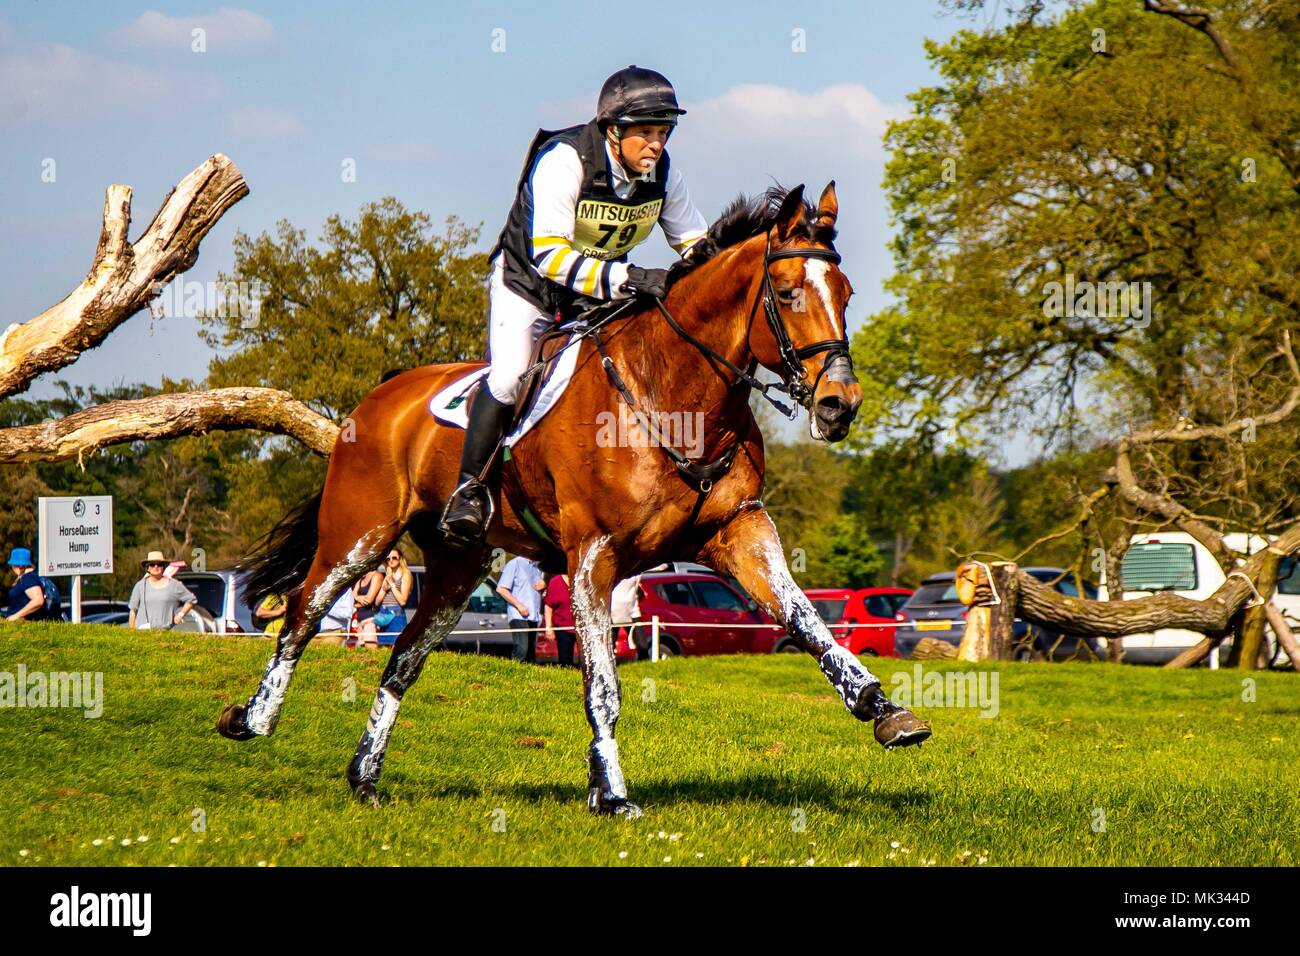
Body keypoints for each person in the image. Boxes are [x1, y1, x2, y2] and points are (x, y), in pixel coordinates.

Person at [440, 65, 708, 545]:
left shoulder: (665, 175)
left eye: (663, 132)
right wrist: (631, 277)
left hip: (593, 296)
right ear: (613, 130)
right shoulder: (564, 160)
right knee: (508, 376)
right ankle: (469, 491)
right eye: (645, 132)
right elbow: (550, 255)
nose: (656, 144)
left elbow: (696, 244)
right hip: (529, 286)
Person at [128, 550, 197, 630]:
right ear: (148, 568)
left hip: (166, 633)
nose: (156, 567)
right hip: (142, 634)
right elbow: (133, 611)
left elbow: (191, 600)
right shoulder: (140, 586)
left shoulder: (174, 584)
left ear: (163, 567)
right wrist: (132, 632)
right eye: (152, 564)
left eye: (159, 564)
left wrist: (181, 614)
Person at [496, 554, 544, 662]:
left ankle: (529, 677)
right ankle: (514, 673)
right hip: (518, 614)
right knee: (522, 649)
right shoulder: (515, 564)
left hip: (534, 616)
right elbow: (501, 588)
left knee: (530, 653)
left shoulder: (538, 568)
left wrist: (544, 585)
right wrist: (519, 605)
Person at [374, 548, 412, 640]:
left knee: (395, 646)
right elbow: (377, 602)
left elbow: (403, 601)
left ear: (400, 558)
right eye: (388, 558)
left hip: (396, 615)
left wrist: (391, 584)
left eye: (394, 558)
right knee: (383, 648)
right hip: (383, 613)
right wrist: (386, 582)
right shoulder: (388, 575)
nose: (391, 560)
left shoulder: (406, 574)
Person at [4, 548, 50, 622]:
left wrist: (15, 616)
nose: (12, 568)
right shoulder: (33, 575)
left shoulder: (28, 578)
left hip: (23, 623)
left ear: (19, 565)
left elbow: (38, 600)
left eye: (13, 565)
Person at [544, 571, 578, 667]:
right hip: (562, 627)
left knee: (585, 660)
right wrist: (548, 627)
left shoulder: (582, 578)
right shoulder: (555, 582)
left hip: (582, 628)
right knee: (565, 660)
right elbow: (548, 606)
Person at [352, 565, 386, 649]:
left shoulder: (377, 576)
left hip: (370, 620)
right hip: (358, 620)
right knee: (361, 652)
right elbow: (352, 597)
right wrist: (358, 598)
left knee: (371, 650)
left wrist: (356, 599)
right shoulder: (361, 578)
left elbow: (368, 600)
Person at [611, 574, 645, 659]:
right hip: (615, 611)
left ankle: (644, 662)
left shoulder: (636, 571)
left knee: (642, 646)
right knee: (610, 644)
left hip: (631, 611)